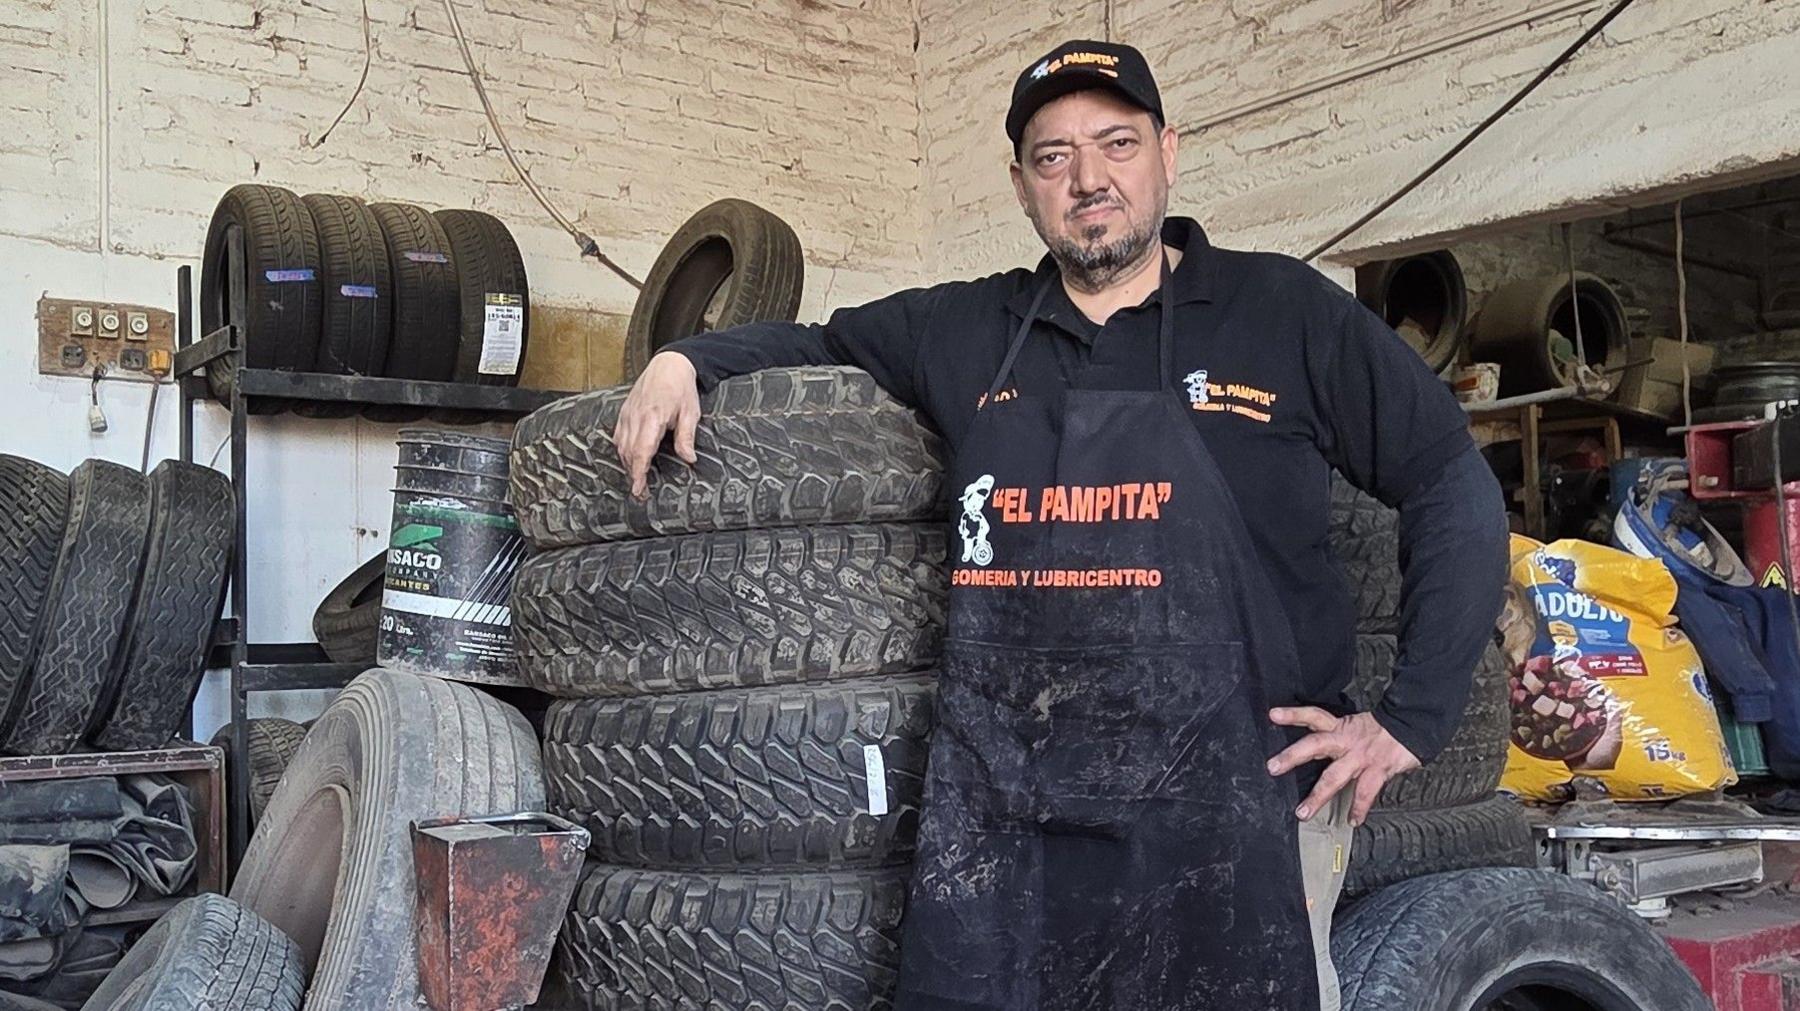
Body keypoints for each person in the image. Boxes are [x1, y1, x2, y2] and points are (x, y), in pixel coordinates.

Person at [611, 38, 1508, 1011]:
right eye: (1054, 157)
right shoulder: (966, 331)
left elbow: (1449, 483)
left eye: (1116, 143)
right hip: (1010, 826)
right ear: (1022, 185)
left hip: (1237, 819)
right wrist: (684, 361)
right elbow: (815, 342)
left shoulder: (1282, 314)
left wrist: (1411, 719)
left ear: (1169, 150)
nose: (1088, 179)